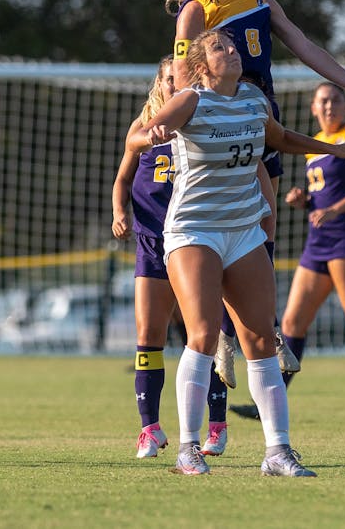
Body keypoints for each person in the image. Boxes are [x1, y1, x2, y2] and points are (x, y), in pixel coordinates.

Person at [127, 30, 345, 476]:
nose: (232, 51)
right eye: (219, 48)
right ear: (201, 65)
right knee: (202, 334)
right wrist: (154, 131)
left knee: (259, 341)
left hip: (243, 229)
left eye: (233, 46)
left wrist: (332, 149)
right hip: (194, 229)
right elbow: (147, 131)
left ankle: (278, 452)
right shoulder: (191, 100)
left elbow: (281, 138)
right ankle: (188, 449)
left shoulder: (254, 98)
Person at [165, 0, 345, 388]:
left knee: (263, 223)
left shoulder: (261, 1)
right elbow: (185, 81)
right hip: (220, 129)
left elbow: (306, 47)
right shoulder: (194, 12)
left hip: (260, 120)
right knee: (230, 225)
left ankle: (248, 329)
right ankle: (226, 332)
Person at [232, 82, 345, 423]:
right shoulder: (313, 145)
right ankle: (268, 402)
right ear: (313, 108)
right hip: (318, 242)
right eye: (323, 102)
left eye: (336, 101)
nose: (329, 107)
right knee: (292, 321)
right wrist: (305, 202)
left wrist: (333, 210)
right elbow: (321, 198)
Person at [111, 56, 229, 459]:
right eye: (168, 81)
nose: (173, 88)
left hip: (193, 241)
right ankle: (150, 429)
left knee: (200, 337)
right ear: (158, 85)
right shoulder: (141, 128)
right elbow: (123, 179)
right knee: (147, 337)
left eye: (180, 82)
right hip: (150, 243)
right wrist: (120, 211)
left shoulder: (199, 123)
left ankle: (216, 426)